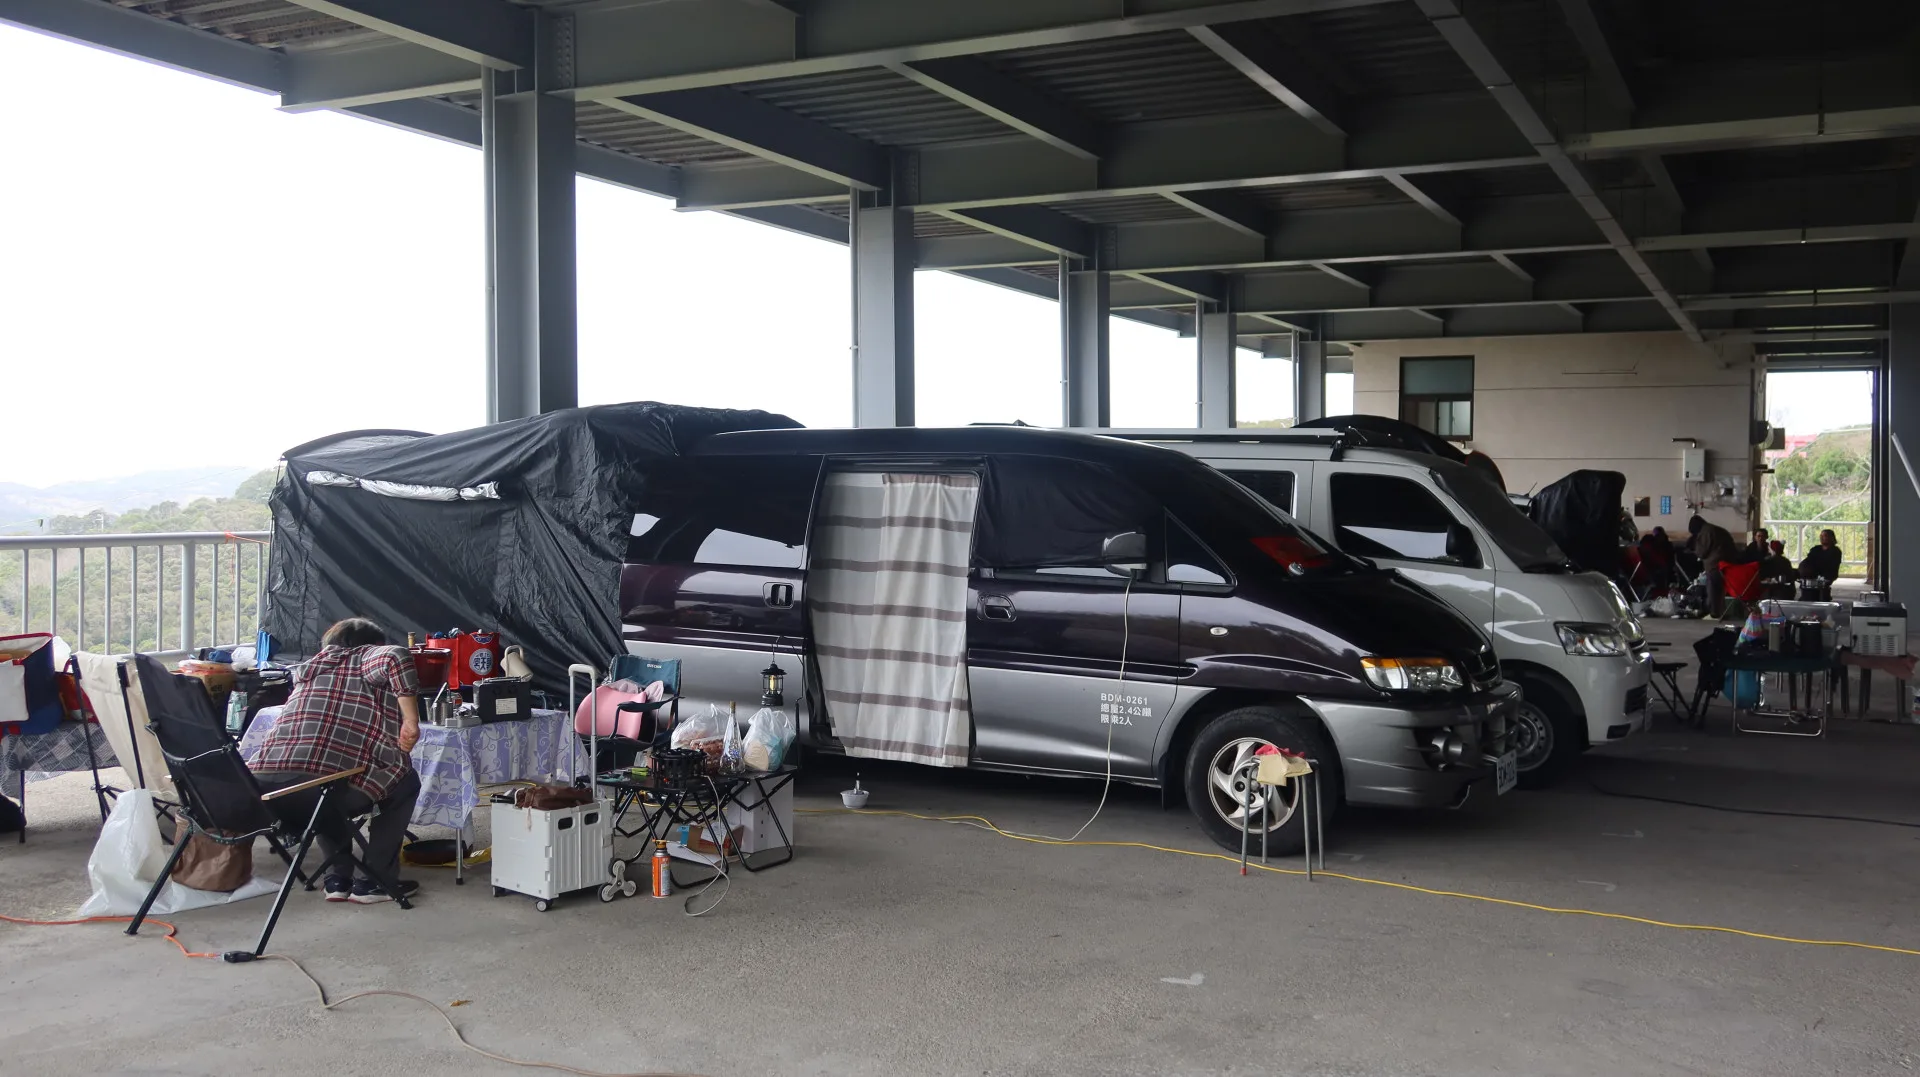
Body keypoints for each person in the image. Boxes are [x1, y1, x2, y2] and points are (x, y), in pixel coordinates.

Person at [249, 617, 423, 904]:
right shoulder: (362, 658)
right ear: (371, 646)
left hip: (264, 798)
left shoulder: (309, 671)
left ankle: (337, 879)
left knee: (331, 779)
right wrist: (411, 721)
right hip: (314, 794)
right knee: (403, 780)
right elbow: (396, 656)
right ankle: (376, 881)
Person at [1687, 514, 1740, 615]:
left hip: (1715, 565)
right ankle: (1722, 612)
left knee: (1713, 590)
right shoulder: (1717, 529)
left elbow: (1702, 552)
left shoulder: (1705, 532)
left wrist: (1694, 546)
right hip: (1729, 564)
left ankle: (1714, 613)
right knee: (1722, 591)